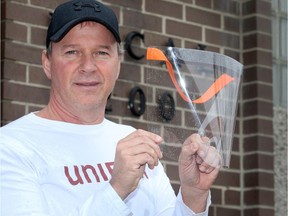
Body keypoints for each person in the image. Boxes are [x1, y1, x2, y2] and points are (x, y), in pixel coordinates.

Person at [0, 0, 220, 215]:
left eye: (102, 53)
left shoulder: (132, 140)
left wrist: (193, 196)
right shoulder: (11, 146)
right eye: (72, 52)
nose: (88, 66)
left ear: (118, 65)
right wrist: (116, 190)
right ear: (47, 63)